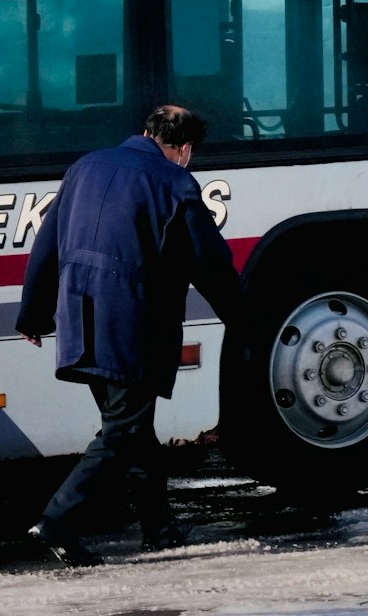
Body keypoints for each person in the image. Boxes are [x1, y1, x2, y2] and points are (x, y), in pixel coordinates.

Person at [16, 104, 242, 567]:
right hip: (132, 325)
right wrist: (246, 319)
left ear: (144, 131)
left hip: (80, 320)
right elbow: (211, 264)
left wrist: (34, 314)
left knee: (134, 430)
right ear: (184, 149)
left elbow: (48, 241)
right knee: (123, 431)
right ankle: (58, 519)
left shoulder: (85, 167)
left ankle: (159, 529)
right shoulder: (174, 182)